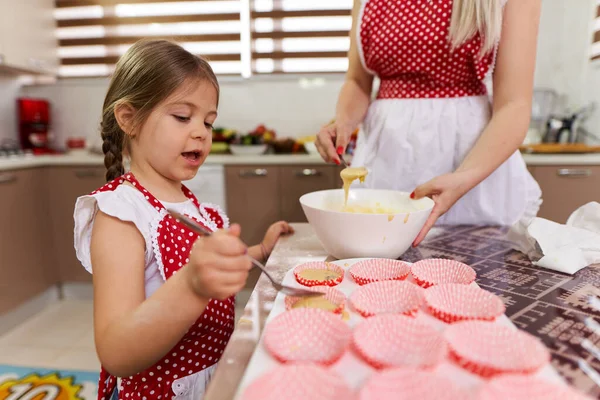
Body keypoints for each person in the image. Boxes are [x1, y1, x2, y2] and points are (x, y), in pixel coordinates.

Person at [73, 39, 293, 400]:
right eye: (182, 117)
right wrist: (192, 285)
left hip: (206, 382)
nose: (201, 133)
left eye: (208, 122)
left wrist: (259, 252)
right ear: (129, 118)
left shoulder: (194, 206)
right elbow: (115, 352)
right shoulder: (121, 214)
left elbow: (210, 271)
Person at [316, 0, 543, 246]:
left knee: (478, 273)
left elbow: (514, 105)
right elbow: (358, 82)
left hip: (473, 168)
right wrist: (344, 122)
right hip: (388, 159)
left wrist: (464, 177)